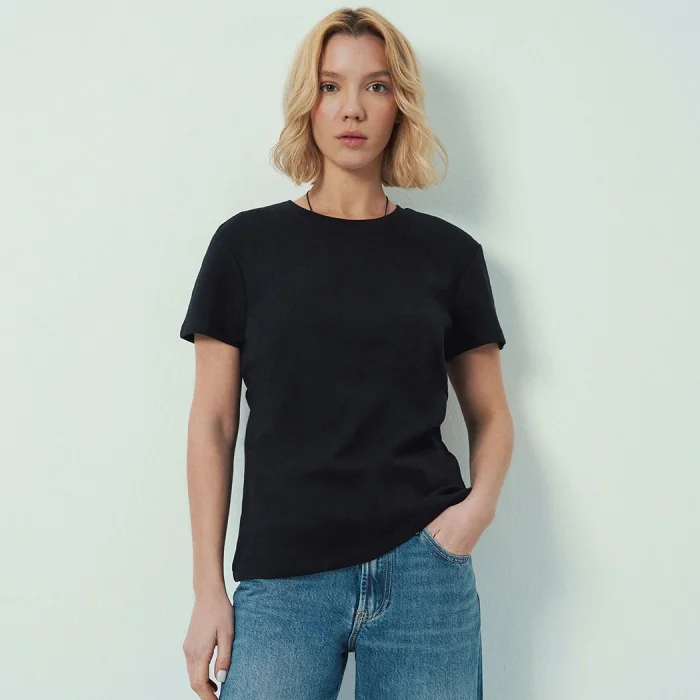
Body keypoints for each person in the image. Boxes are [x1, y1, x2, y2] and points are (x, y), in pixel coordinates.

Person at [179, 7, 513, 700]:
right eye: (331, 86)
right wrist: (208, 589)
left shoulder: (450, 256)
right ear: (308, 101)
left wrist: (472, 516)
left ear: (401, 104)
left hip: (425, 572)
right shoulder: (244, 247)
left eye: (377, 87)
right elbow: (212, 424)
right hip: (284, 582)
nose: (352, 108)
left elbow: (491, 414)